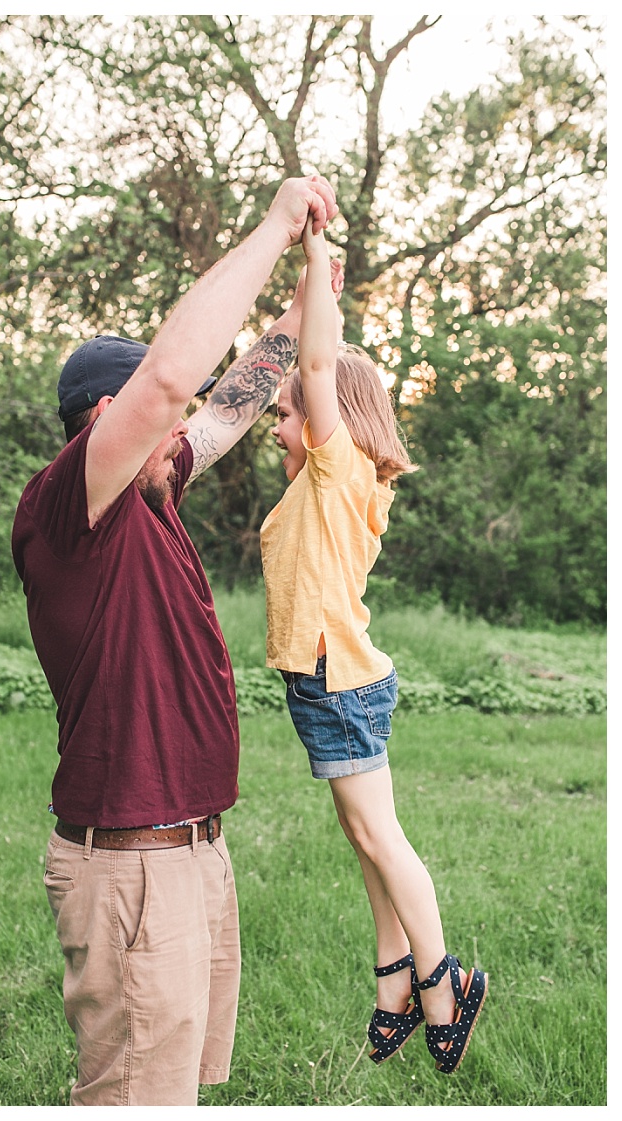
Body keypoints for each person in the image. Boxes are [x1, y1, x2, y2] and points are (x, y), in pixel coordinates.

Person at [11, 175, 340, 1106]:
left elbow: (229, 404)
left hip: (190, 851)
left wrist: (300, 310)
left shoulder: (150, 491)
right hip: (132, 865)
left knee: (178, 1090)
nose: (182, 432)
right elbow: (169, 384)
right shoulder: (71, 508)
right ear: (106, 422)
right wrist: (277, 226)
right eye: (159, 421)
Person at [261, 222, 487, 1073]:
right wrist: (318, 296)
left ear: (331, 420)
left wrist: (318, 265)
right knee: (364, 836)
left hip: (336, 678)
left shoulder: (337, 467)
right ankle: (395, 972)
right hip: (329, 680)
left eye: (286, 415)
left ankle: (442, 983)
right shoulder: (328, 484)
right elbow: (317, 363)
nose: (278, 426)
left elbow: (320, 367)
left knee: (380, 835)